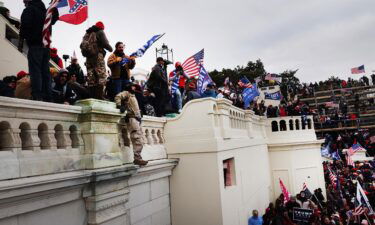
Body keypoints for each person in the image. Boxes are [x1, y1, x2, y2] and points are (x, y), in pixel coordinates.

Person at [19, 0, 58, 101]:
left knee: (35, 70)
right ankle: (48, 95)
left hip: (35, 45)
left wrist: (25, 39)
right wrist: (54, 7)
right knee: (45, 71)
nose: (24, 2)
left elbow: (24, 26)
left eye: (24, 1)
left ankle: (37, 95)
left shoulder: (29, 10)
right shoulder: (46, 12)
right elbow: (54, 19)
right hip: (46, 47)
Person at [115, 84, 148, 166]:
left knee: (139, 139)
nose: (134, 87)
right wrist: (120, 106)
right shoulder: (127, 93)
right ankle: (137, 158)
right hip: (132, 119)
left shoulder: (133, 95)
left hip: (136, 119)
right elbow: (117, 97)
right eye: (132, 86)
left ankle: (138, 158)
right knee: (137, 138)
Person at [83, 21, 113, 99]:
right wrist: (110, 49)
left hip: (89, 57)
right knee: (101, 75)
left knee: (91, 76)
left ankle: (92, 95)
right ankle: (100, 95)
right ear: (102, 27)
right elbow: (105, 43)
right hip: (97, 56)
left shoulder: (87, 33)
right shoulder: (100, 31)